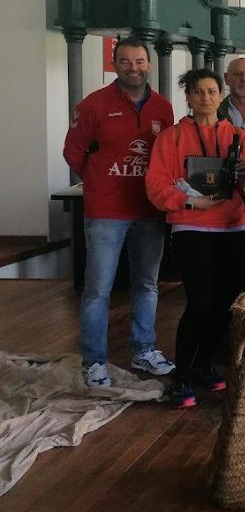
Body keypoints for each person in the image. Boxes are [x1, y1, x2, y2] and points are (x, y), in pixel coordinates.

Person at [63, 36, 176, 387]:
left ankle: (144, 350)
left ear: (149, 64)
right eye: (125, 61)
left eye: (139, 61)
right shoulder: (93, 105)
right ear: (115, 64)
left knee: (147, 284)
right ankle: (94, 362)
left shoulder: (163, 108)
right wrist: (100, 181)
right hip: (106, 212)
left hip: (148, 209)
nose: (133, 68)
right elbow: (73, 152)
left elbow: (166, 157)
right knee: (98, 289)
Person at [146, 68, 245, 408]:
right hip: (191, 227)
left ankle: (204, 363)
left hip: (233, 226)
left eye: (211, 91)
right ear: (188, 97)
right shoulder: (171, 138)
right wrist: (190, 201)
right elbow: (156, 185)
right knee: (200, 302)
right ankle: (182, 374)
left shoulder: (238, 137)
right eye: (198, 91)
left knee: (226, 303)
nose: (205, 97)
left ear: (221, 95)